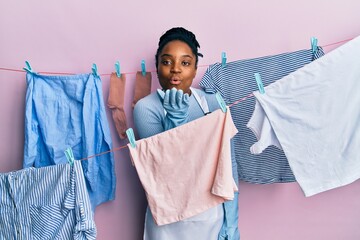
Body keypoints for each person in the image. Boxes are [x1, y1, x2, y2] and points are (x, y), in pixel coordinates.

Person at [133, 27, 240, 240]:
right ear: (157, 67)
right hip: (167, 223)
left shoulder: (212, 103)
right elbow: (164, 171)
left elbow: (229, 165)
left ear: (195, 68)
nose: (175, 70)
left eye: (185, 62)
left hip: (211, 219)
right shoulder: (146, 108)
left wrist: (231, 223)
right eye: (167, 62)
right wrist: (174, 122)